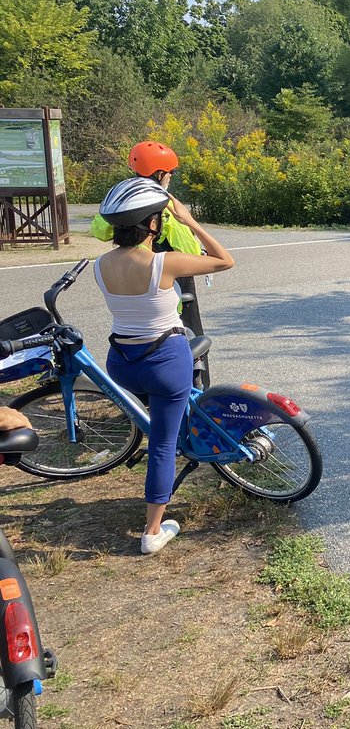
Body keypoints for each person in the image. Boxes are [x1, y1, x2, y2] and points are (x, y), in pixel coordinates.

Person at [95, 177, 235, 554]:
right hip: (165, 361)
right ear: (152, 224)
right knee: (162, 444)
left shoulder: (100, 264)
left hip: (122, 363)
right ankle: (152, 532)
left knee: (156, 421)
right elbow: (225, 260)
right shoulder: (163, 262)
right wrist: (189, 221)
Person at [91, 142, 208, 363]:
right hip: (167, 279)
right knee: (186, 339)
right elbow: (190, 249)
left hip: (128, 280)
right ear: (159, 173)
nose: (172, 176)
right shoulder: (161, 204)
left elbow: (99, 229)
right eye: (171, 172)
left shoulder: (121, 196)